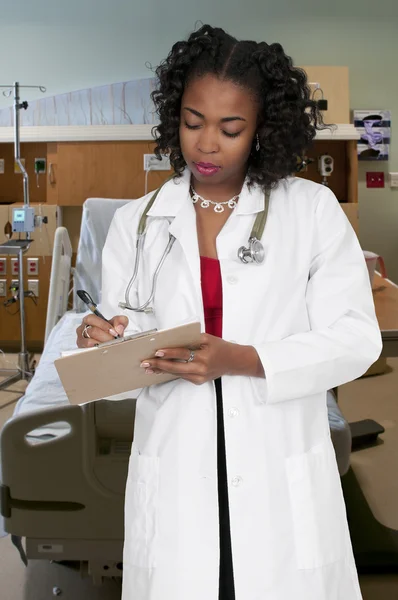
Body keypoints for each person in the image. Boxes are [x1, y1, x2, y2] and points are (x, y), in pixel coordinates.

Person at [76, 24, 382, 600]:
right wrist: (105, 347)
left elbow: (355, 339)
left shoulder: (310, 211)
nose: (206, 145)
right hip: (176, 473)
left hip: (275, 468)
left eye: (230, 128)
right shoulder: (137, 223)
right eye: (193, 122)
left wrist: (242, 359)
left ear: (263, 129)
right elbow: (121, 374)